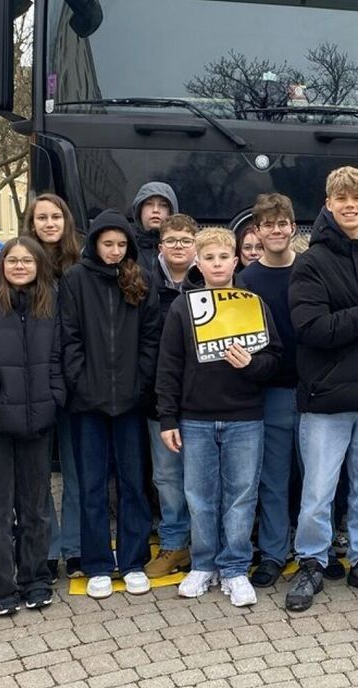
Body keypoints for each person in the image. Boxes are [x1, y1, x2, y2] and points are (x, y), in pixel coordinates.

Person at [284, 166, 358, 611]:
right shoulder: (311, 262)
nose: (350, 206)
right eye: (342, 199)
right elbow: (311, 328)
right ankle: (311, 563)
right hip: (326, 400)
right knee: (319, 490)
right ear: (328, 204)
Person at [157, 227, 282, 606]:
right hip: (195, 418)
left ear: (236, 261)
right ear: (198, 262)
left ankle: (235, 568)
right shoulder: (183, 307)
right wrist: (167, 418)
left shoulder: (253, 304)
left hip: (245, 417)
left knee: (241, 496)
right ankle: (203, 564)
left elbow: (273, 360)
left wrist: (251, 364)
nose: (216, 264)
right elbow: (169, 366)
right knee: (199, 497)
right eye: (209, 258)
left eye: (223, 257)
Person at [59, 209, 161, 599]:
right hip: (88, 403)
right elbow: (69, 337)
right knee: (92, 485)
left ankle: (133, 560)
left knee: (134, 484)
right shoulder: (75, 279)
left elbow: (151, 336)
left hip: (131, 401)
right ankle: (98, 562)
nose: (114, 250)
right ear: (95, 244)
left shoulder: (141, 278)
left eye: (121, 244)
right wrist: (80, 383)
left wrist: (141, 384)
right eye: (108, 243)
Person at [0, 237, 66, 615]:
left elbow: (58, 353)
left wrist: (54, 397)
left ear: (38, 265)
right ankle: (0, 586)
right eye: (13, 260)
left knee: (35, 506)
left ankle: (35, 578)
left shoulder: (50, 299)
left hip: (39, 418)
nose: (20, 266)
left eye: (27, 260)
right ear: (1, 264)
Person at [236, 193, 300, 587]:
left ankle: (315, 551)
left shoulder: (311, 269)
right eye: (268, 225)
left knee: (316, 478)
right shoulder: (247, 281)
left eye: (282, 224)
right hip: (271, 391)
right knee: (273, 479)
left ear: (293, 227)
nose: (276, 231)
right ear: (257, 232)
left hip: (313, 389)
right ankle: (275, 552)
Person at [23, 194, 84, 577]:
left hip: (75, 381)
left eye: (55, 216)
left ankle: (75, 547)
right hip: (35, 382)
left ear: (66, 221)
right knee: (38, 473)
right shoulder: (21, 265)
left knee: (76, 470)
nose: (49, 223)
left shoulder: (81, 265)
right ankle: (46, 547)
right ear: (31, 224)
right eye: (41, 217)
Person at [142, 213, 202, 580]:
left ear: (195, 244)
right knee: (166, 476)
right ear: (160, 246)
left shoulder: (211, 281)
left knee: (203, 476)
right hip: (159, 397)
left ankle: (204, 545)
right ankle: (174, 543)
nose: (178, 247)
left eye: (185, 240)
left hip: (202, 399)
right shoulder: (143, 283)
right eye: (171, 240)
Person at [131, 181, 180, 277]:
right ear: (139, 210)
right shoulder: (127, 248)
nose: (156, 210)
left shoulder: (183, 249)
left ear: (171, 211)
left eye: (163, 205)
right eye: (149, 204)